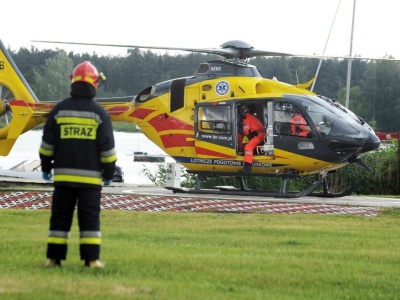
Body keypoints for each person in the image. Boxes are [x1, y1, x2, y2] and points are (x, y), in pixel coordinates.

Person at [39, 61, 117, 268]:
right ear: (95, 84)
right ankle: (91, 260)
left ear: (72, 82)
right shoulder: (100, 114)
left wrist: (46, 167)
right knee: (89, 220)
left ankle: (54, 259)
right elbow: (107, 149)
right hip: (90, 181)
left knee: (59, 219)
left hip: (63, 179)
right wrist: (109, 172)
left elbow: (47, 145)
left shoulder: (59, 111)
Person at [238, 104, 266, 173]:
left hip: (258, 136)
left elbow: (246, 132)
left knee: (248, 148)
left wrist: (240, 129)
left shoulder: (246, 119)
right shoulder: (252, 117)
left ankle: (248, 167)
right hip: (262, 135)